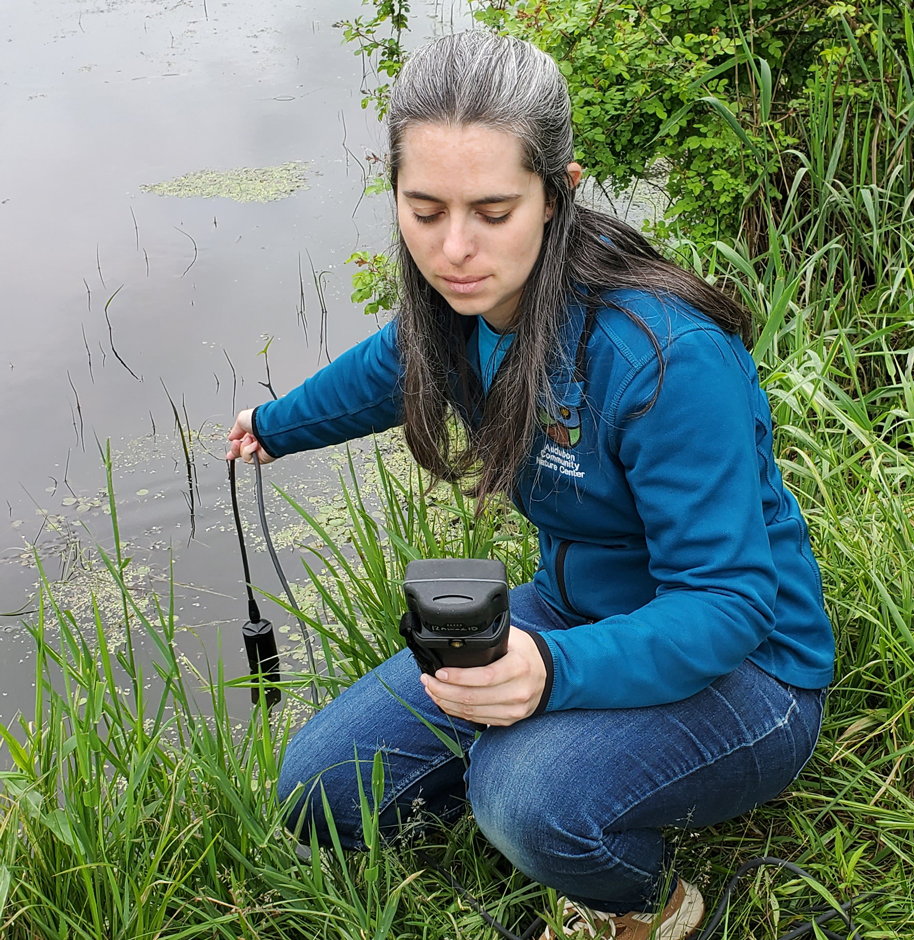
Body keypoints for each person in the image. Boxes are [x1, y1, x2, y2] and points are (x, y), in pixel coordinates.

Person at [227, 30, 834, 940]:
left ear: (559, 193)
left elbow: (727, 603)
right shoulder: (458, 309)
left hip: (750, 672)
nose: (455, 249)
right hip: (574, 608)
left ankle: (646, 904)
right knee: (319, 789)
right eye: (424, 210)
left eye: (493, 210)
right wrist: (273, 428)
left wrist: (549, 672)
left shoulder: (665, 359)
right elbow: (387, 369)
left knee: (523, 798)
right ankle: (543, 783)